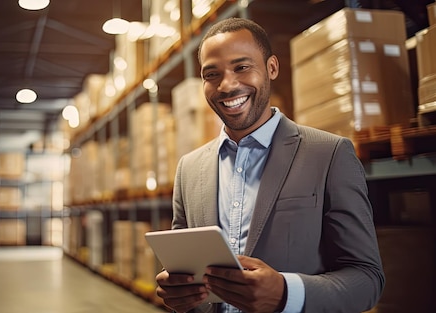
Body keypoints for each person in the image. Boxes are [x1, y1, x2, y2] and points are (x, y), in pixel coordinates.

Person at [155, 17, 385, 313]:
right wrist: (176, 292)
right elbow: (182, 269)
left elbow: (367, 279)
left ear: (271, 68)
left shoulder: (328, 154)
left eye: (242, 67)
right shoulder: (189, 169)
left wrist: (287, 293)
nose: (227, 85)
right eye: (212, 74)